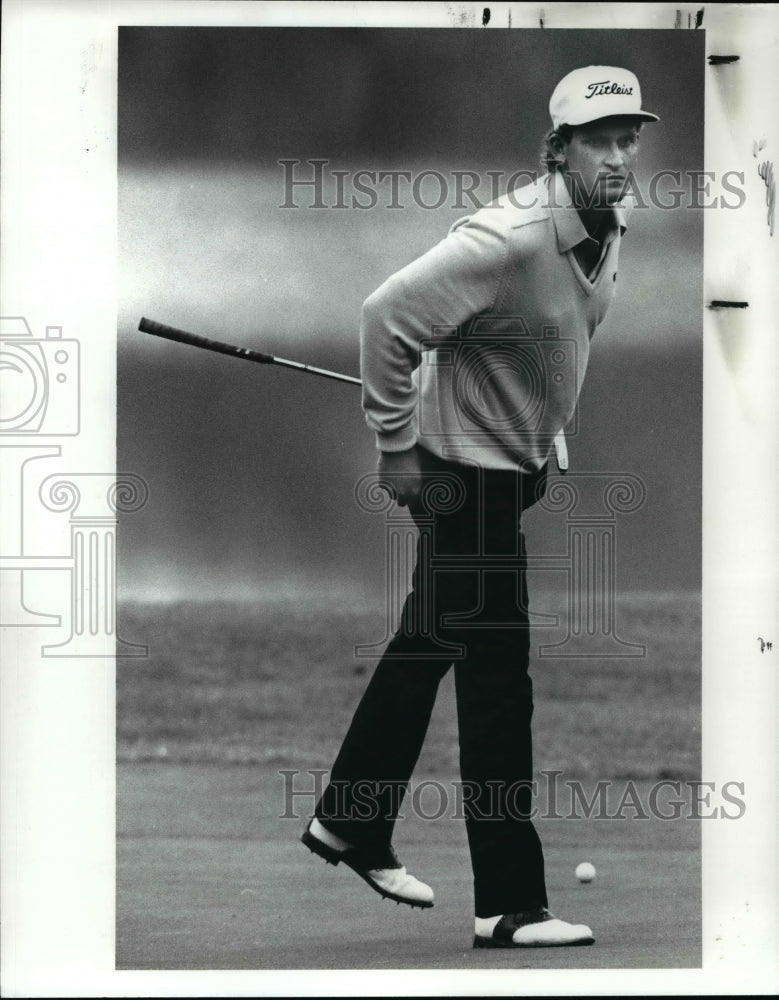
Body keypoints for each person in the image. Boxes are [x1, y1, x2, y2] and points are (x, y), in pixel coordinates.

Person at [302, 66, 658, 948]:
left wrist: (547, 428)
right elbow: (386, 318)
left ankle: (349, 821)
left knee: (428, 643)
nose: (618, 155)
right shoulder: (503, 238)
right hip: (463, 480)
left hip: (508, 461)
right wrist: (393, 444)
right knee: (498, 683)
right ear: (559, 147)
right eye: (600, 139)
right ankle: (508, 903)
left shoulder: (609, 225)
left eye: (628, 137)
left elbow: (548, 339)